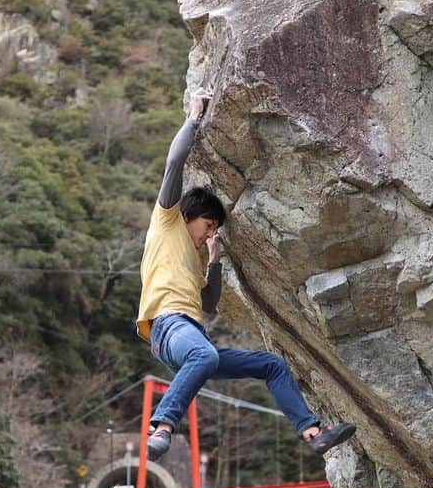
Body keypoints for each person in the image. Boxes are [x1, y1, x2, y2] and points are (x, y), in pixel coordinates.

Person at [137, 88, 355, 462]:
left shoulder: (195, 254)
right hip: (167, 327)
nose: (209, 232)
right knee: (204, 358)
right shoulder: (167, 222)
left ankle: (313, 432)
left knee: (272, 365)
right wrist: (194, 114)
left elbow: (209, 303)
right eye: (208, 224)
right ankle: (162, 427)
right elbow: (175, 162)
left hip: (190, 335)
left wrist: (215, 259)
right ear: (189, 214)